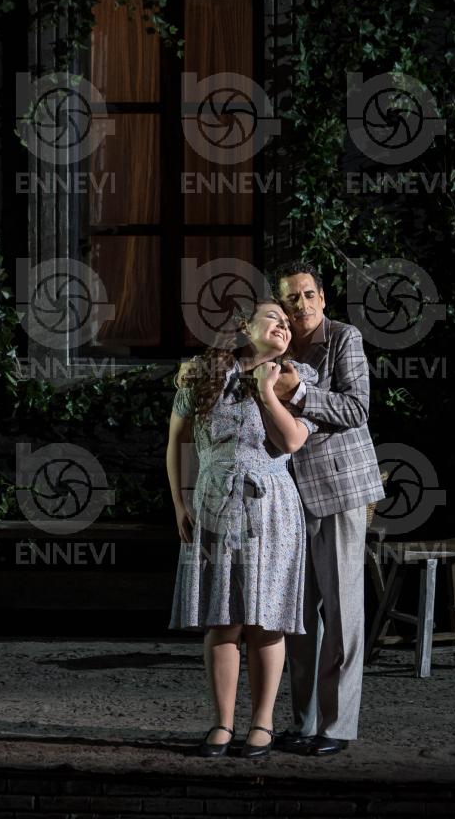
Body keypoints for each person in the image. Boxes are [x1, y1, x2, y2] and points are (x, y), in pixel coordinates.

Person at [167, 299, 319, 759]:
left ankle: (263, 723)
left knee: (266, 620)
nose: (284, 326)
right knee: (222, 618)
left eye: (288, 323)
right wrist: (179, 503)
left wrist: (266, 390)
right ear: (244, 326)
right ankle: (222, 723)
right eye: (273, 317)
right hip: (214, 502)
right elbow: (176, 442)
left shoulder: (296, 378)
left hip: (271, 507)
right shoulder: (203, 375)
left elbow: (291, 440)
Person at [270, 260, 386, 757]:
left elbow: (356, 408)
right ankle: (305, 722)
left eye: (307, 294)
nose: (300, 305)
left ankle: (336, 727)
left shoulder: (343, 338)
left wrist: (297, 392)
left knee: (342, 615)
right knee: (298, 618)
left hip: (338, 491)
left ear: (322, 297)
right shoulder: (277, 344)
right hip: (289, 498)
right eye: (291, 298)